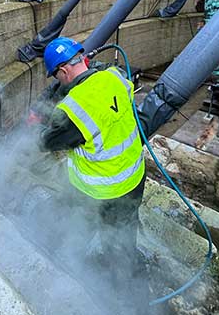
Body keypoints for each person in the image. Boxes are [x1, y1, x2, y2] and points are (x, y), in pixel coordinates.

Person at [32, 36, 148, 310]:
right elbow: (103, 110)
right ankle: (129, 282)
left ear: (62, 71)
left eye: (57, 77)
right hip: (134, 178)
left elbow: (47, 142)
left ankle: (118, 299)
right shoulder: (115, 76)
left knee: (93, 234)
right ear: (82, 58)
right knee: (124, 235)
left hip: (101, 191)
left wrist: (38, 126)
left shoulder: (74, 111)